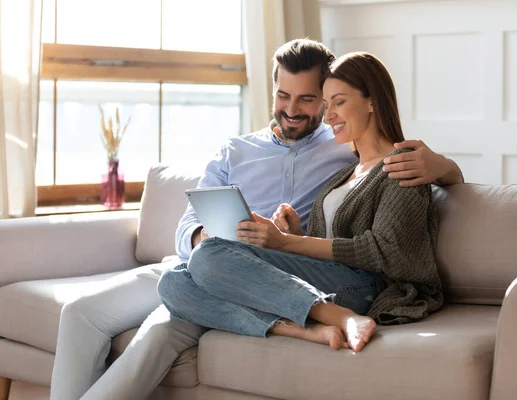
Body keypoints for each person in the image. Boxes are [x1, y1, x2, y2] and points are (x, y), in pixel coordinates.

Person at [50, 39, 463, 400]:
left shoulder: (343, 148)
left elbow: (408, 192)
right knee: (105, 302)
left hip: (280, 270)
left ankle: (313, 312)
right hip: (207, 259)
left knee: (172, 310)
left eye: (310, 99)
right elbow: (189, 221)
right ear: (272, 91)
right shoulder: (238, 149)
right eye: (284, 96)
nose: (293, 109)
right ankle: (301, 322)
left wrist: (443, 165)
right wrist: (207, 237)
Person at [157, 51, 443, 352]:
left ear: (372, 100)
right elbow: (328, 244)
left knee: (207, 255)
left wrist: (285, 242)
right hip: (324, 277)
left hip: (365, 287)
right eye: (328, 103)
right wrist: (296, 234)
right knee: (174, 283)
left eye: (339, 102)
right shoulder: (347, 171)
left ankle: (338, 315)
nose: (330, 114)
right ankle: (306, 331)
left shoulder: (401, 165)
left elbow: (384, 250)